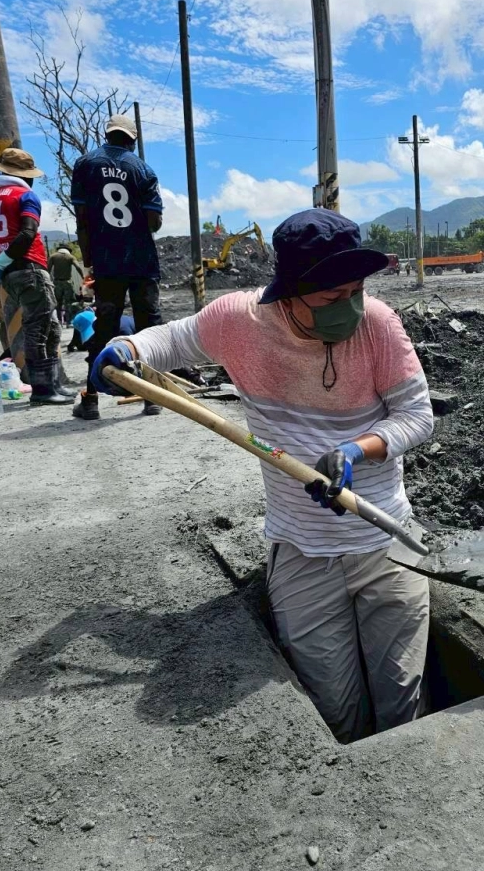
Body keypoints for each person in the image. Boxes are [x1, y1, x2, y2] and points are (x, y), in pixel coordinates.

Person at [90, 209, 434, 743]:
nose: (350, 307)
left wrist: (358, 449)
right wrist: (126, 348)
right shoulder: (240, 323)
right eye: (330, 297)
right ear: (289, 293)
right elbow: (171, 341)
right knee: (334, 708)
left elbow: (417, 417)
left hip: (384, 541)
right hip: (302, 552)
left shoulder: (378, 325)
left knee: (402, 700)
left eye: (357, 290)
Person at [70, 114, 164, 420]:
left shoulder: (86, 164)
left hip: (107, 261)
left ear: (107, 134)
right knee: (149, 326)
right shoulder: (142, 168)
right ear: (133, 140)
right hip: (140, 260)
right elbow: (154, 221)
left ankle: (91, 399)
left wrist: (88, 260)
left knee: (104, 328)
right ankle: (152, 398)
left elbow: (82, 219)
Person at [0, 149, 74, 405]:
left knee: (51, 327)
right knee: (39, 330)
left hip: (10, 273)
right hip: (29, 268)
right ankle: (43, 388)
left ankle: (54, 383)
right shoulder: (25, 196)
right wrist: (1, 261)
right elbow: (27, 233)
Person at [48, 246, 84, 326]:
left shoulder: (53, 256)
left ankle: (59, 321)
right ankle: (69, 322)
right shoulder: (70, 257)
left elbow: (48, 269)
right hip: (68, 282)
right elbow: (78, 267)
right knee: (69, 303)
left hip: (57, 283)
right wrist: (83, 277)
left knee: (57, 303)